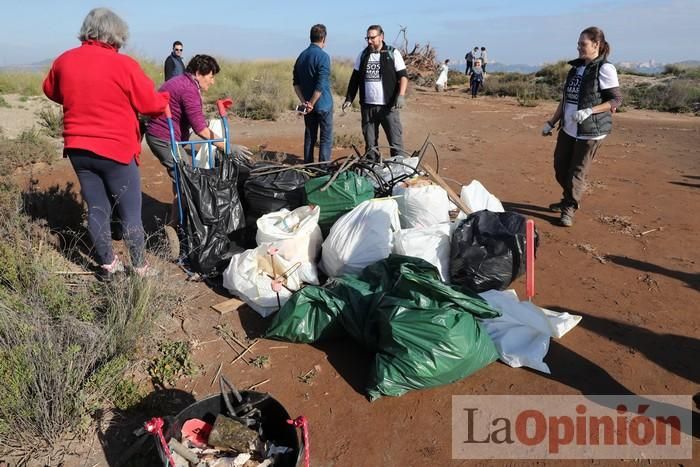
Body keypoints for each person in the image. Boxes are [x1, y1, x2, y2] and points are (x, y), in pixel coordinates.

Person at [42, 7, 169, 279]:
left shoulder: (64, 60)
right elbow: (151, 104)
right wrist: (164, 102)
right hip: (116, 150)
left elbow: (50, 90)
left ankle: (109, 266)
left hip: (78, 148)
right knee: (130, 212)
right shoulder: (123, 64)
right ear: (116, 33)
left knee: (97, 208)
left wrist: (79, 99)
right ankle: (139, 268)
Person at [147, 54, 250, 226]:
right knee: (186, 179)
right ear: (198, 73)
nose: (212, 81)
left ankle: (179, 220)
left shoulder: (183, 82)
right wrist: (228, 147)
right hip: (164, 137)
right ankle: (176, 225)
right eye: (211, 76)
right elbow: (201, 130)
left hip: (163, 134)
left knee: (183, 178)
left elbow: (194, 119)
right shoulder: (188, 89)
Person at [541, 26, 622, 227]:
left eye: (583, 44)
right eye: (578, 44)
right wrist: (551, 122)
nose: (578, 47)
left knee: (577, 172)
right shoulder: (575, 69)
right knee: (560, 167)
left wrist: (590, 110)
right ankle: (569, 197)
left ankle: (569, 208)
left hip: (590, 131)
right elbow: (565, 99)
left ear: (596, 45)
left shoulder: (605, 68)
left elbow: (615, 100)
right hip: (568, 127)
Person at [342, 25, 408, 159]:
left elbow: (403, 76)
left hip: (389, 107)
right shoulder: (363, 55)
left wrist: (401, 96)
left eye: (372, 38)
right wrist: (349, 98)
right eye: (368, 38)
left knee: (395, 142)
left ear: (381, 37)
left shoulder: (392, 53)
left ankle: (399, 170)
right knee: (370, 145)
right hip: (368, 107)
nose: (369, 41)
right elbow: (354, 79)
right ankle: (372, 170)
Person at [293, 24, 333, 164]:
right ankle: (323, 168)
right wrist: (312, 102)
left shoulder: (301, 57)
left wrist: (305, 102)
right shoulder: (323, 57)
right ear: (323, 38)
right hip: (323, 104)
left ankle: (308, 165)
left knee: (310, 135)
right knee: (325, 137)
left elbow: (296, 83)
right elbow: (321, 84)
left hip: (308, 106)